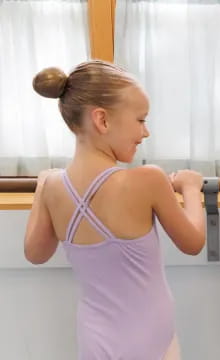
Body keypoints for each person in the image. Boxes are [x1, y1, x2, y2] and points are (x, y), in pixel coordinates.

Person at [24, 60, 206, 360]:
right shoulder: (148, 179)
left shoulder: (53, 186)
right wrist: (190, 188)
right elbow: (193, 242)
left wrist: (43, 186)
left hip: (95, 343)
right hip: (150, 344)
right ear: (102, 120)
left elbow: (35, 253)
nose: (145, 132)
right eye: (140, 120)